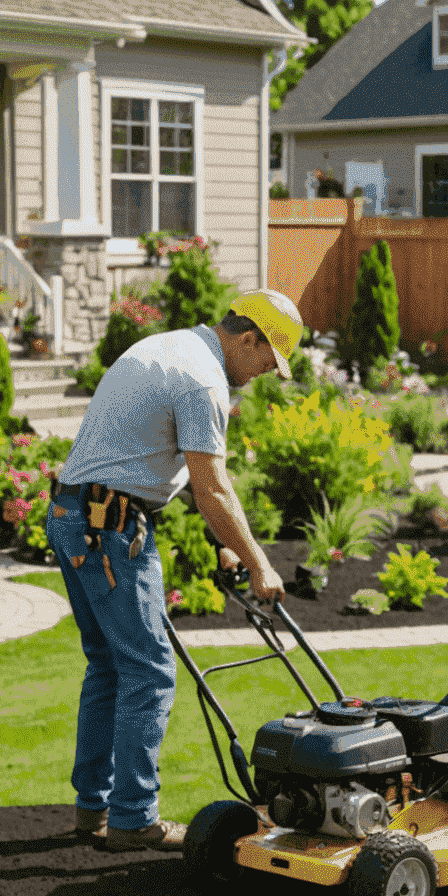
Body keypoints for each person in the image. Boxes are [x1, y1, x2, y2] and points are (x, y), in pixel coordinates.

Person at [47, 291, 300, 850]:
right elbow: (212, 485)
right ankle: (134, 819)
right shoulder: (204, 380)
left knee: (110, 667)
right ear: (249, 337)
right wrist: (260, 563)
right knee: (151, 672)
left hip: (72, 514)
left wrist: (226, 545)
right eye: (266, 360)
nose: (262, 374)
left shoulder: (172, 347)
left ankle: (94, 809)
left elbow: (154, 457)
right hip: (109, 527)